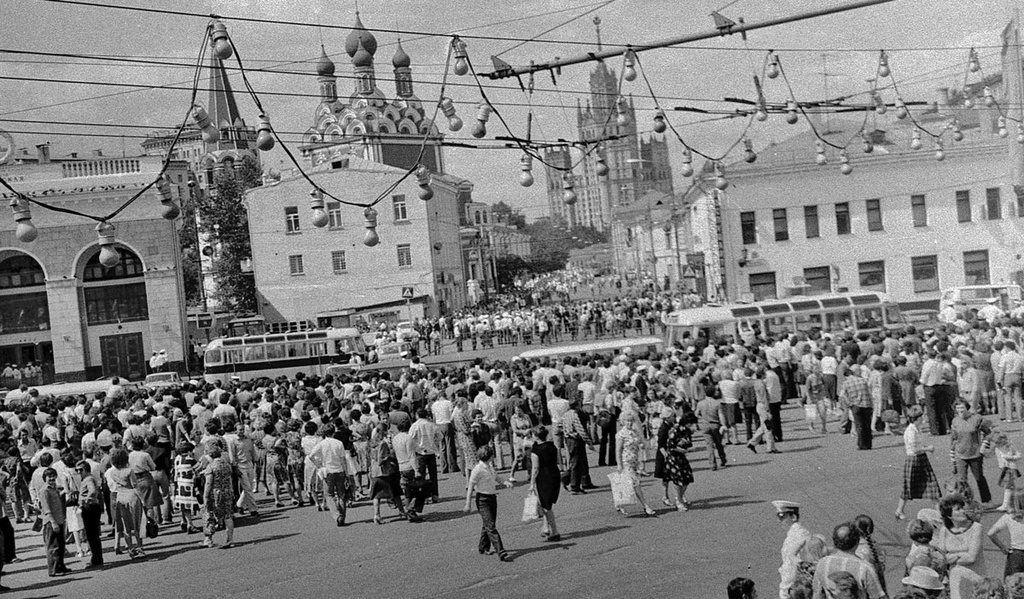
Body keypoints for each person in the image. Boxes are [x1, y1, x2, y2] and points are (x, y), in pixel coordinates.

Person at [933, 492, 986, 599]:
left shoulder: (976, 528)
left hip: (975, 576)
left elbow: (971, 558)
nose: (963, 511)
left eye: (963, 508)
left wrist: (952, 557)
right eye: (958, 509)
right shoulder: (944, 530)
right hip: (955, 578)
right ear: (949, 515)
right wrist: (960, 556)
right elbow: (941, 558)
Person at [464, 446, 513, 562]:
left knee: (488, 523)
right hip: (482, 499)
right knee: (491, 526)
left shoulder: (489, 467)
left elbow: (496, 477)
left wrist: (505, 482)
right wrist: (468, 503)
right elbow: (470, 486)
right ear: (490, 456)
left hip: (492, 497)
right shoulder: (478, 469)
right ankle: (501, 551)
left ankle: (483, 547)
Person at [812, 522, 885, 599]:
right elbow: (878, 596)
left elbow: (817, 594)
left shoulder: (822, 563)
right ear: (857, 543)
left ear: (834, 542)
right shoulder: (864, 568)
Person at [896, 405, 941, 520]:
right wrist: (928, 448)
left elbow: (918, 445)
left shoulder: (917, 429)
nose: (923, 418)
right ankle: (899, 510)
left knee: (932, 484)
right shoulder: (910, 431)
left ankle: (940, 512)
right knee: (908, 486)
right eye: (921, 416)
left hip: (922, 459)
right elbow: (914, 449)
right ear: (916, 418)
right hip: (914, 460)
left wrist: (925, 447)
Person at [950, 399, 993, 505]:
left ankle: (987, 500)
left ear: (967, 407)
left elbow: (988, 433)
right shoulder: (955, 421)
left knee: (979, 478)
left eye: (962, 407)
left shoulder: (977, 418)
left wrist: (984, 446)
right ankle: (965, 502)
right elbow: (953, 439)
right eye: (958, 408)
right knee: (962, 481)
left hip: (975, 453)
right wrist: (952, 455)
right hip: (960, 454)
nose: (960, 410)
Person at [307, 424, 350, 527]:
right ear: (333, 432)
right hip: (339, 470)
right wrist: (346, 473)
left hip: (328, 471)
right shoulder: (339, 443)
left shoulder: (322, 444)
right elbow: (343, 459)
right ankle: (342, 516)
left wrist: (318, 465)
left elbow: (311, 455)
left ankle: (336, 515)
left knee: (329, 495)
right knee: (341, 495)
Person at [615, 410, 655, 516]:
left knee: (626, 484)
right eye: (627, 421)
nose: (629, 423)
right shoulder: (620, 434)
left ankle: (619, 504)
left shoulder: (634, 432)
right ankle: (645, 506)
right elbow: (618, 450)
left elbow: (639, 442)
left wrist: (641, 445)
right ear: (623, 421)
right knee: (635, 483)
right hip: (626, 462)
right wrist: (619, 464)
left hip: (635, 461)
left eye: (631, 421)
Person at [529, 426, 561, 542]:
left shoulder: (536, 450)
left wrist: (532, 484)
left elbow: (535, 468)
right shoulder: (552, 446)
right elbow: (558, 460)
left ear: (536, 436)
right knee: (547, 503)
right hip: (554, 474)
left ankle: (555, 531)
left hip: (544, 477)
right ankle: (546, 528)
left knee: (546, 506)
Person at [775, 499, 811, 599]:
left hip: (793, 586)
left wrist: (785, 589)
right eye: (778, 516)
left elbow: (792, 565)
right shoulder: (794, 533)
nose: (779, 520)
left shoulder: (798, 535)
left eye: (782, 516)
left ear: (793, 517)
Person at [201, 440, 235, 548]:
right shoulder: (226, 465)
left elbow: (208, 483)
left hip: (215, 493)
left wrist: (205, 496)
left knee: (209, 513)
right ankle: (230, 538)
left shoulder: (211, 467)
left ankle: (208, 538)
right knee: (228, 515)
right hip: (227, 491)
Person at [662, 410, 695, 511]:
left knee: (687, 478)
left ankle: (680, 498)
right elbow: (670, 446)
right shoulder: (674, 430)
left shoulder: (687, 431)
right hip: (673, 458)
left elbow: (689, 443)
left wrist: (688, 447)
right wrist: (683, 450)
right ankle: (678, 501)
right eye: (691, 424)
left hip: (682, 457)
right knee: (678, 480)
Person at [987, 491, 1024, 579]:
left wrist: (1002, 547)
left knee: (1013, 584)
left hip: (1017, 556)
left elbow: (990, 533)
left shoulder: (1008, 517)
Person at [39, 467, 69, 577]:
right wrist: (53, 522)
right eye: (49, 476)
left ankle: (61, 566)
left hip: (59, 520)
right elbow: (47, 509)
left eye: (53, 476)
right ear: (44, 478)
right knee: (53, 547)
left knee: (61, 545)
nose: (52, 478)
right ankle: (53, 569)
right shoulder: (44, 490)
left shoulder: (54, 489)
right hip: (51, 522)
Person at [76, 460, 104, 569]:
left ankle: (97, 559)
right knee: (91, 535)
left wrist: (86, 500)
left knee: (92, 535)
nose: (79, 472)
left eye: (81, 470)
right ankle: (96, 558)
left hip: (90, 508)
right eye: (77, 470)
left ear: (86, 469)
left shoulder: (89, 479)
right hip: (90, 508)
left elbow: (92, 490)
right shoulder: (86, 479)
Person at [694, 383, 728, 470]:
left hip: (705, 424)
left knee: (709, 445)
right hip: (715, 424)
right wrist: (723, 425)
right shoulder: (717, 403)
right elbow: (721, 416)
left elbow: (696, 414)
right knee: (718, 444)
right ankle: (722, 459)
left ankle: (712, 463)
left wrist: (701, 417)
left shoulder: (700, 403)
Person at [994, 432, 1021, 512]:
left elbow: (1019, 455)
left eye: (1005, 439)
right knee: (1011, 487)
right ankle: (1011, 505)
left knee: (1008, 487)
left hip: (1010, 469)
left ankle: (1006, 505)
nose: (1004, 441)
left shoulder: (1010, 448)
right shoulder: (998, 449)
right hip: (1004, 469)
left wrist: (1010, 457)